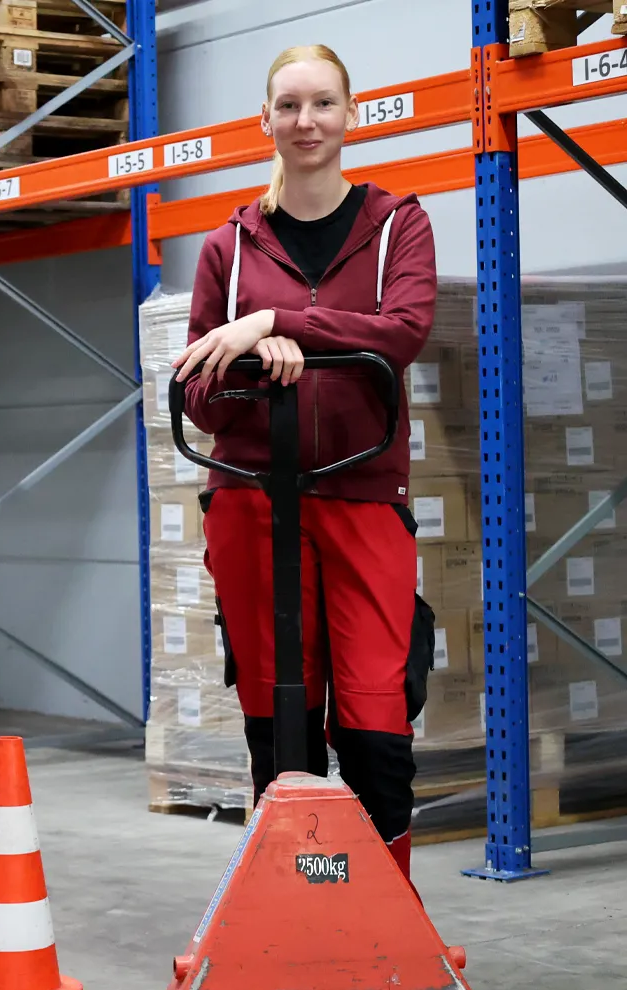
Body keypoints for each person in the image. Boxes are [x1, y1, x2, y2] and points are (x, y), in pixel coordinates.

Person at [171, 45, 438, 886]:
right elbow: (199, 394)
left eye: (323, 104)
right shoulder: (230, 247)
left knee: (375, 714)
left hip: (363, 492)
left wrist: (281, 323)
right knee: (280, 715)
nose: (306, 122)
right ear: (266, 121)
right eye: (288, 106)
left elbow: (401, 333)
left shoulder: (398, 223)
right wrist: (258, 362)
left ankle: (385, 920)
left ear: (351, 114)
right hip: (253, 500)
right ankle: (287, 911)